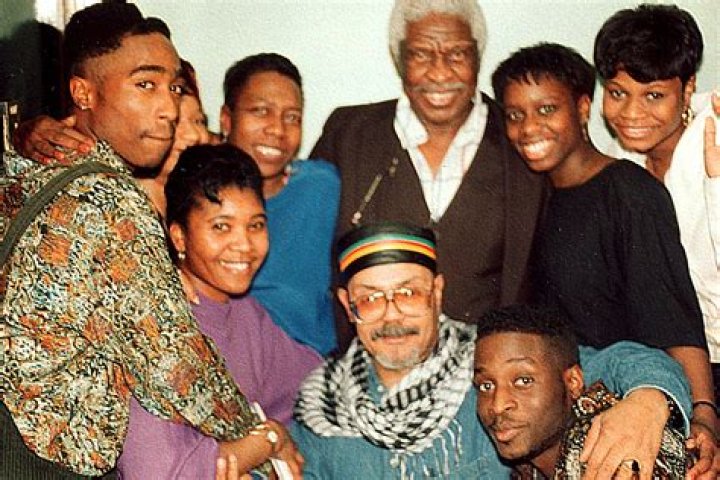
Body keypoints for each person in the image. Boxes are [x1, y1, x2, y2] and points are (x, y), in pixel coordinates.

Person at [0, 4, 264, 478]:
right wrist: (259, 432)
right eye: (145, 85)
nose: (168, 109)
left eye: (174, 88)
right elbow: (174, 368)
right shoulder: (109, 198)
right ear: (83, 93)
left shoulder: (24, 169)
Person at [291, 222, 693, 479]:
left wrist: (648, 400)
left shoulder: (489, 363)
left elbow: (626, 361)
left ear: (437, 292)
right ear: (347, 306)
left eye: (408, 293)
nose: (392, 314)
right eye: (370, 298)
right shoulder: (321, 407)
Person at [490, 41, 718, 471]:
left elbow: (675, 314)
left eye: (546, 110)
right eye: (515, 115)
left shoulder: (628, 193)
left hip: (635, 415)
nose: (528, 127)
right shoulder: (535, 197)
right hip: (570, 428)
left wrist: (704, 414)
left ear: (582, 107)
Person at [310, 0, 545, 349]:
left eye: (457, 54)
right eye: (421, 54)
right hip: (371, 370)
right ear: (399, 60)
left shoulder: (524, 141)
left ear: (477, 57)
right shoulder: (348, 136)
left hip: (486, 372)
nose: (440, 73)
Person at [117, 145, 316, 479]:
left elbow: (314, 385)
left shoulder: (245, 313)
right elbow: (156, 472)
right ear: (179, 237)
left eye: (256, 225)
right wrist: (266, 441)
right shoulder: (157, 325)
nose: (244, 245)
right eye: (221, 227)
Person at [594, 4, 720, 409]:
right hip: (672, 363)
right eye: (618, 93)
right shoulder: (619, 161)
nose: (632, 114)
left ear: (687, 88)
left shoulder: (714, 137)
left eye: (653, 95)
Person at [474, 304, 692, 479]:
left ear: (573, 382)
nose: (498, 406)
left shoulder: (615, 454)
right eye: (486, 386)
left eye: (523, 381)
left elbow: (629, 358)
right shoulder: (532, 466)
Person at [220, 53, 339, 355]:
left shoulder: (321, 187)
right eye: (261, 111)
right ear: (226, 120)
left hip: (311, 366)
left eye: (292, 117)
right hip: (225, 362)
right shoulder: (198, 196)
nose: (277, 129)